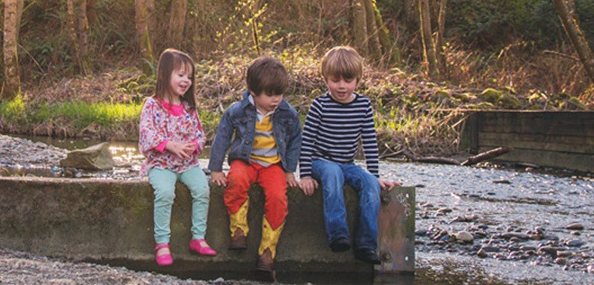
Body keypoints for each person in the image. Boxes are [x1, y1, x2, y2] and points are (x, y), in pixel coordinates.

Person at [298, 45, 400, 265]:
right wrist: (305, 174)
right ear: (326, 80)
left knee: (370, 185)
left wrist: (374, 175)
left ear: (357, 80)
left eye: (348, 80)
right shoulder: (320, 105)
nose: (341, 86)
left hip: (347, 163)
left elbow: (370, 143)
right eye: (335, 80)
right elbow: (306, 142)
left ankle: (365, 244)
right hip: (320, 162)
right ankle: (337, 234)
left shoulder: (363, 105)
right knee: (333, 173)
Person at [208, 56, 302, 277]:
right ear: (253, 91)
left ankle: (268, 251)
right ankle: (238, 229)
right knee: (236, 180)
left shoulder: (288, 114)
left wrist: (289, 170)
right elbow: (221, 138)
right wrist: (215, 169)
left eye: (279, 93)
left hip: (273, 165)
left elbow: (295, 142)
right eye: (269, 95)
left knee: (278, 197)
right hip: (246, 160)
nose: (275, 99)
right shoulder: (237, 111)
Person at [138, 48, 217, 266]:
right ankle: (162, 243)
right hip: (161, 164)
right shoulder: (152, 105)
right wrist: (169, 145)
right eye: (180, 75)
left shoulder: (189, 108)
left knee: (202, 189)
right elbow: (146, 134)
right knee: (164, 192)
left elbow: (201, 135)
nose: (186, 81)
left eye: (189, 77)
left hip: (187, 164)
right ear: (165, 75)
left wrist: (194, 146)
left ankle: (198, 238)